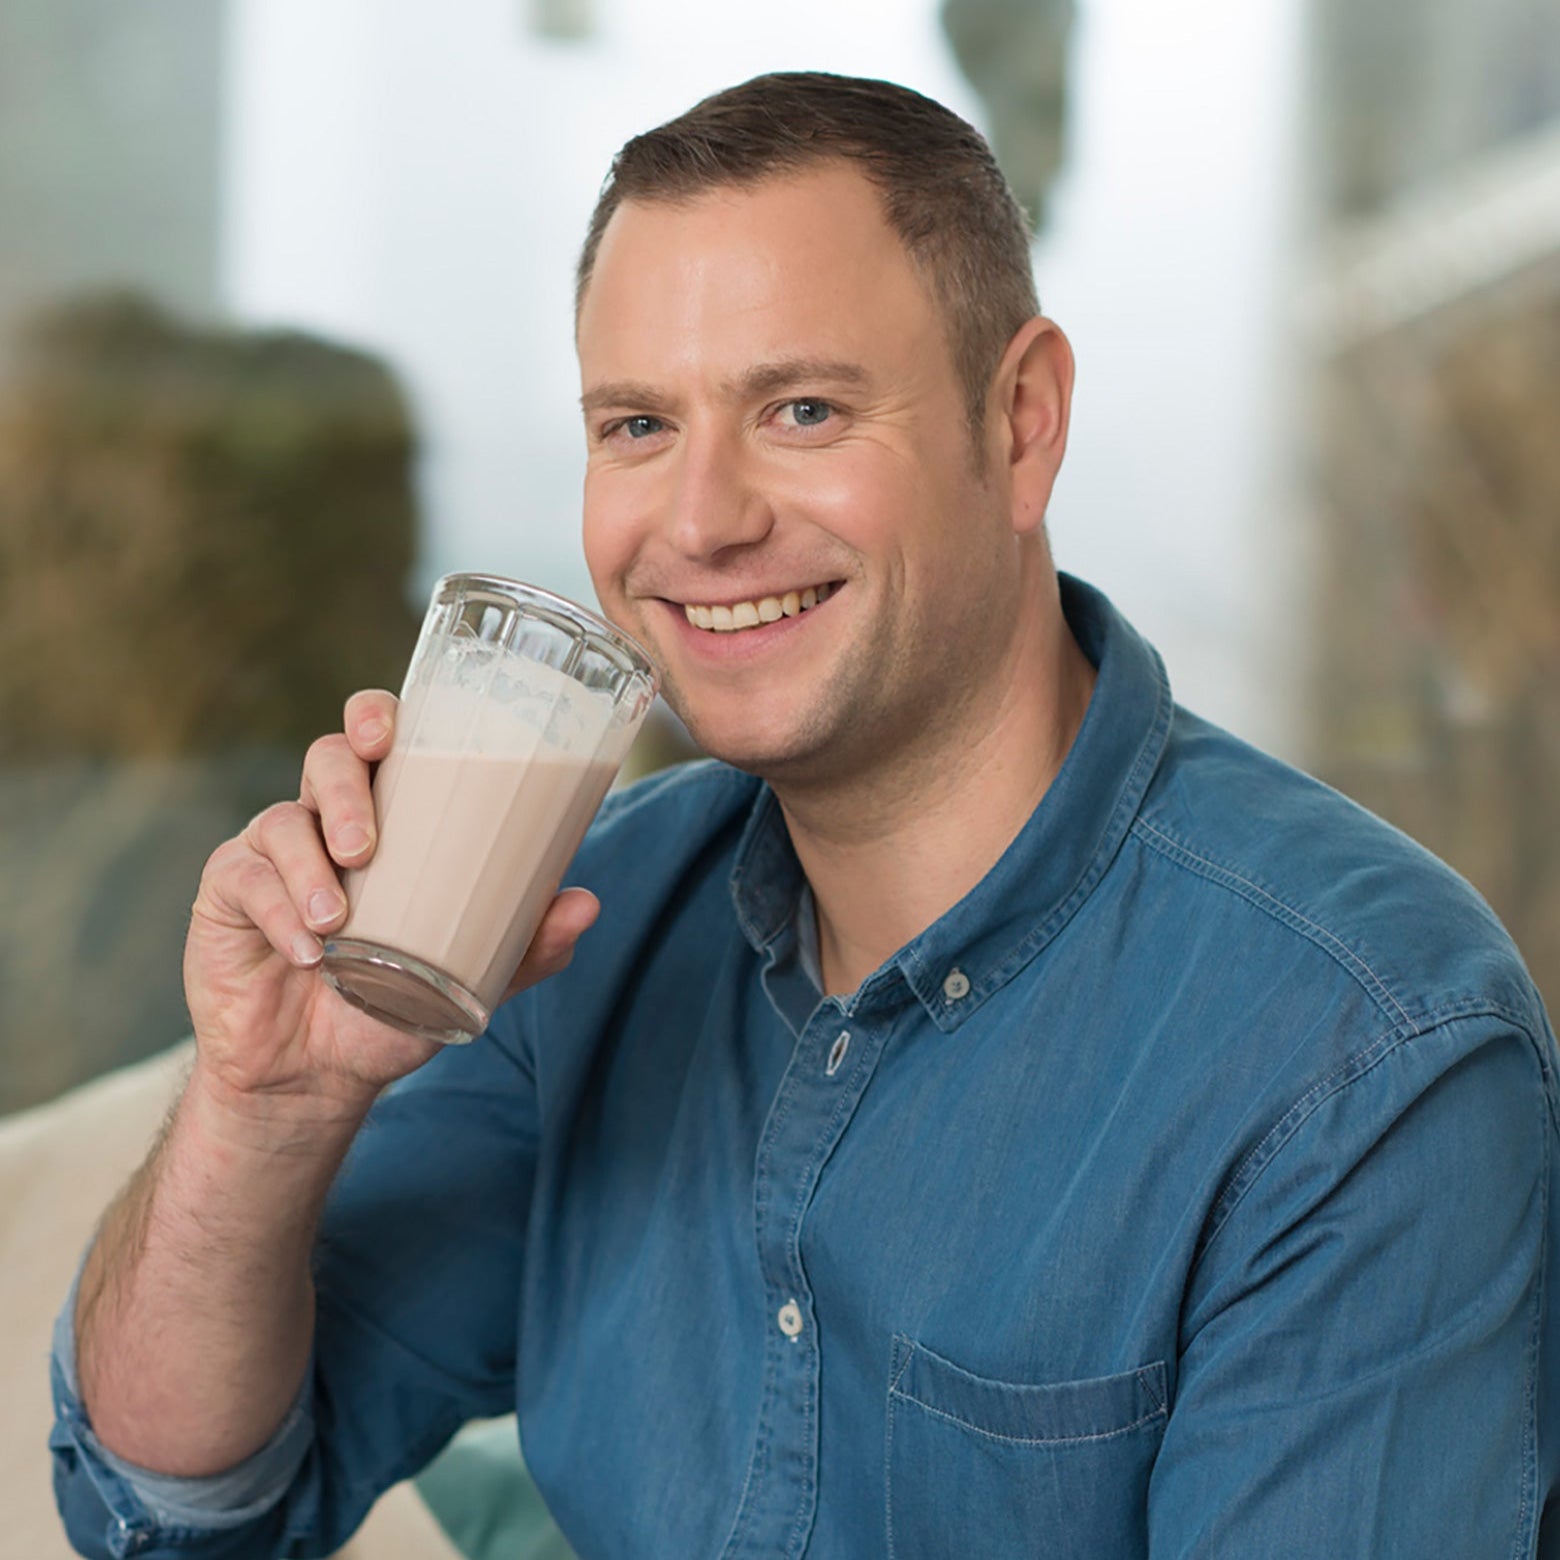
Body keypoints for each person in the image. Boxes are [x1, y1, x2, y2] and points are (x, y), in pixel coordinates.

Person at [49, 71, 1560, 1559]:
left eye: (804, 407)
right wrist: (270, 1110)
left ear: (1022, 422)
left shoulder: (1366, 1053)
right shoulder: (591, 919)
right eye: (636, 426)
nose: (701, 521)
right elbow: (179, 1508)